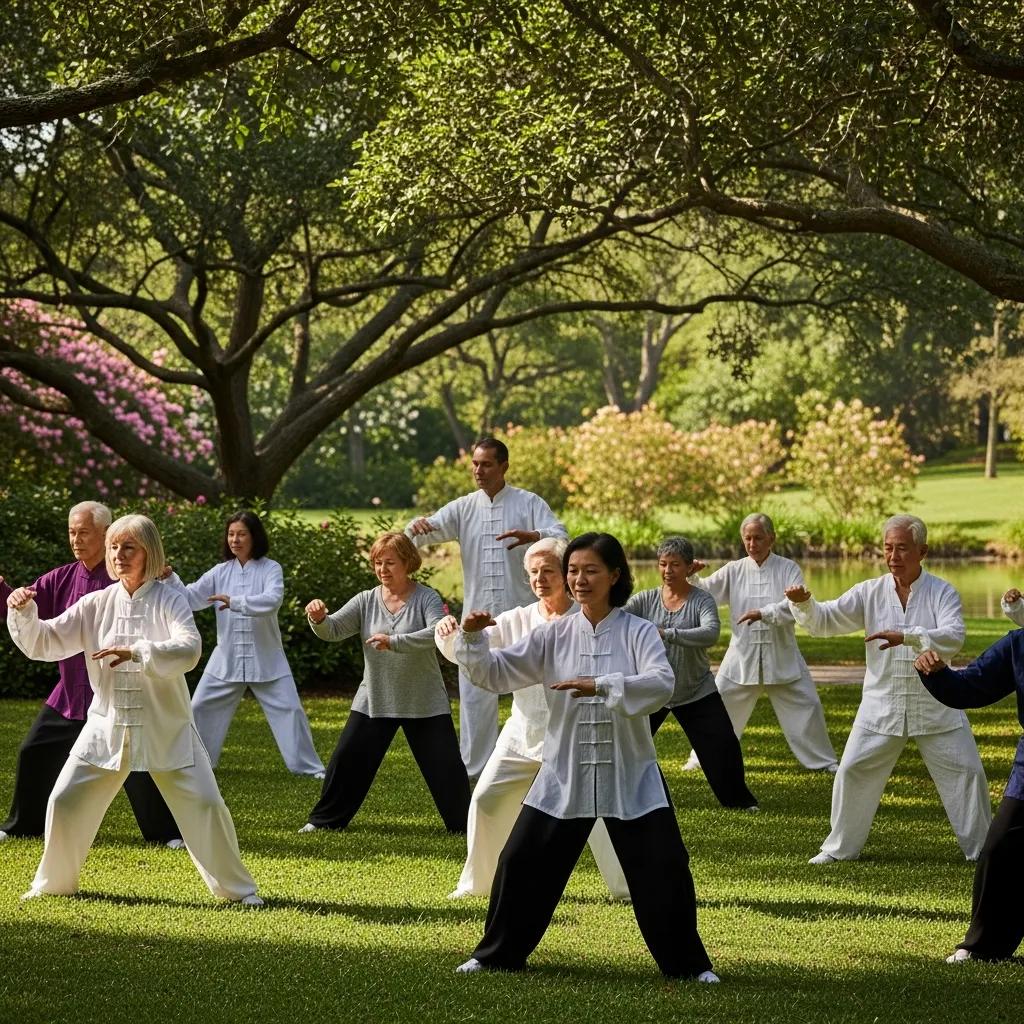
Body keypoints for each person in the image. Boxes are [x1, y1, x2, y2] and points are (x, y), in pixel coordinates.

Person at [452, 533, 717, 982]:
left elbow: (661, 684)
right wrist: (474, 639)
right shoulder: (551, 634)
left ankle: (689, 967)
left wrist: (602, 685)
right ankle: (495, 955)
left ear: (615, 576)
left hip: (630, 773)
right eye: (573, 571)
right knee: (520, 861)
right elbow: (495, 674)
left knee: (665, 866)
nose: (579, 579)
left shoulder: (638, 631)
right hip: (564, 772)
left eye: (591, 570)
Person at [7, 514, 260, 905]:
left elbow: (189, 649)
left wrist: (138, 652)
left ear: (149, 552)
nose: (118, 555)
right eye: (113, 547)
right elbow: (46, 641)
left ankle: (238, 892)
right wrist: (23, 612)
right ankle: (53, 884)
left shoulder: (169, 599)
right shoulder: (95, 603)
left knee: (206, 804)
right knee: (65, 799)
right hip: (106, 724)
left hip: (166, 725)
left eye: (129, 547)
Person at [788, 514, 991, 864]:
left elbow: (954, 636)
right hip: (881, 703)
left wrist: (908, 636)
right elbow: (825, 622)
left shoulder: (942, 591)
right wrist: (804, 603)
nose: (893, 556)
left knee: (968, 773)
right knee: (852, 770)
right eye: (888, 548)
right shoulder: (868, 591)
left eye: (902, 548)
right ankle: (839, 849)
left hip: (937, 703)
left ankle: (984, 852)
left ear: (922, 551)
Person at [436, 537, 629, 900]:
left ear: (566, 574)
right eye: (533, 572)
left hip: (578, 736)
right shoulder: (516, 620)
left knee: (601, 814)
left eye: (548, 571)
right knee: (487, 799)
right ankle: (477, 884)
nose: (540, 579)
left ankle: (628, 886)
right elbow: (475, 653)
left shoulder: (587, 618)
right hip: (523, 733)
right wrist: (454, 635)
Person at [0, 501, 181, 847]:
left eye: (84, 532)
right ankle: (22, 825)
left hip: (119, 691)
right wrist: (10, 596)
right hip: (70, 693)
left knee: (139, 763)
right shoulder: (60, 578)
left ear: (106, 533)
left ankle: (166, 834)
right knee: (34, 751)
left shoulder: (130, 577)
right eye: (72, 532)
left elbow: (170, 608)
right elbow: (30, 616)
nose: (76, 540)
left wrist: (167, 578)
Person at [405, 436, 568, 780]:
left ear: (503, 466)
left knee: (537, 691)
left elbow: (560, 535)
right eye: (475, 464)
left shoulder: (528, 502)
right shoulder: (463, 507)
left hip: (525, 618)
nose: (479, 471)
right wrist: (415, 527)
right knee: (475, 692)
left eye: (487, 464)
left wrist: (534, 536)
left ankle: (547, 758)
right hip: (478, 619)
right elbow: (424, 531)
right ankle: (474, 770)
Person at [300, 532, 469, 833]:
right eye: (378, 563)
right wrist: (319, 619)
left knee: (447, 770)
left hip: (423, 700)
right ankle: (323, 822)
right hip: (375, 697)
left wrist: (394, 642)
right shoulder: (366, 600)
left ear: (408, 562)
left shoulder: (427, 597)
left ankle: (465, 827)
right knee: (346, 761)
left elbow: (437, 632)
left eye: (390, 562)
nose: (382, 569)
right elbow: (334, 630)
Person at [166, 510, 324, 777]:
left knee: (291, 710)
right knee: (200, 707)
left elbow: (272, 600)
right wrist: (170, 578)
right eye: (231, 534)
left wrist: (234, 602)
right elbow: (190, 599)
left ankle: (310, 769)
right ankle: (197, 765)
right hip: (226, 659)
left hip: (267, 659)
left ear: (254, 537)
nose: (235, 540)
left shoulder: (271, 568)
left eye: (241, 534)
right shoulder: (219, 572)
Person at [684, 513, 838, 773]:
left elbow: (795, 605)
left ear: (771, 539)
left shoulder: (788, 568)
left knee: (807, 706)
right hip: (741, 656)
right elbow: (707, 594)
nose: (752, 544)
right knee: (719, 707)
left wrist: (764, 613)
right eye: (748, 538)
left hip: (782, 655)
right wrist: (692, 578)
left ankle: (825, 762)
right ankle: (700, 758)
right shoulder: (734, 569)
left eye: (758, 538)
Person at [625, 537, 758, 810]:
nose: (668, 570)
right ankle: (620, 794)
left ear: (688, 567)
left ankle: (739, 801)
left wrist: (668, 633)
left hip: (696, 690)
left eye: (675, 564)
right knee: (624, 743)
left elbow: (710, 633)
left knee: (723, 745)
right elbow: (617, 617)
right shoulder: (646, 599)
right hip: (653, 688)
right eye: (663, 564)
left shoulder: (701, 600)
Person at [915, 633, 1024, 963]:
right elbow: (971, 687)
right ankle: (984, 948)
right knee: (1000, 849)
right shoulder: (1019, 644)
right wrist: (936, 673)